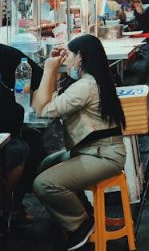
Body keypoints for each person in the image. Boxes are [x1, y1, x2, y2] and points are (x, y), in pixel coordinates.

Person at [32, 35, 126, 250]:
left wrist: (49, 70)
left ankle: (80, 225)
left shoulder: (85, 86)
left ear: (81, 57)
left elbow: (43, 109)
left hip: (103, 156)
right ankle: (85, 213)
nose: (66, 60)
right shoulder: (93, 79)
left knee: (43, 183)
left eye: (69, 55)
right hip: (94, 150)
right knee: (47, 165)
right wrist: (53, 71)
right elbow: (44, 103)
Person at [1, 43, 44, 227]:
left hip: (7, 131)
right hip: (8, 134)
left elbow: (38, 77)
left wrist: (20, 93)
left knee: (31, 140)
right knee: (21, 147)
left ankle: (13, 205)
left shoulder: (7, 55)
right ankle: (8, 206)